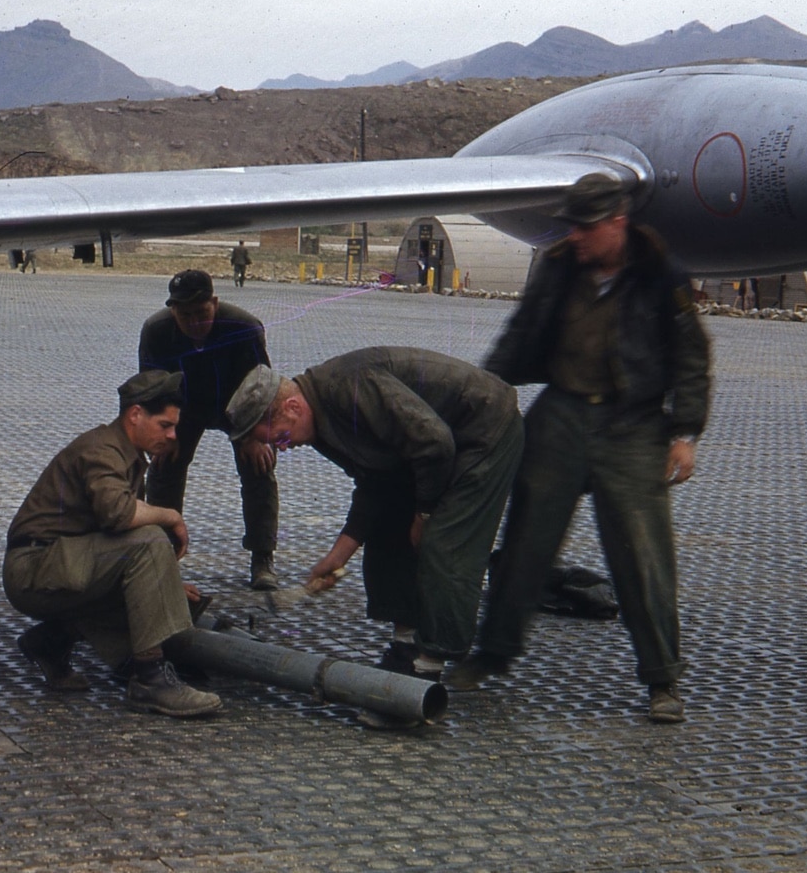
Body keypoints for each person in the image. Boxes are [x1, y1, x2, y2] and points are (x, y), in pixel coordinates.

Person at [445, 173, 711, 725]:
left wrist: (685, 433)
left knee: (642, 552)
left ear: (618, 221)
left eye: (588, 228)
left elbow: (691, 355)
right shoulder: (559, 267)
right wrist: (481, 393)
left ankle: (662, 680)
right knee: (524, 541)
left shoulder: (662, 275)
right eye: (574, 227)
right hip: (561, 412)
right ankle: (493, 653)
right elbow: (520, 335)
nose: (578, 238)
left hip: (633, 422)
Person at [226, 347, 523, 681]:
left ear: (292, 407)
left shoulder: (350, 389)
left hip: (483, 429)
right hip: (429, 451)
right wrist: (337, 556)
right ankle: (406, 645)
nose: (283, 448)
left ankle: (428, 667)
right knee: (386, 527)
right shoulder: (318, 424)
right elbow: (376, 486)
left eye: (280, 437)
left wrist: (424, 515)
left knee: (444, 543)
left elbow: (435, 443)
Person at [3, 370, 222, 718]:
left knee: (151, 558)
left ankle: (51, 642)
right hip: (34, 567)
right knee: (150, 541)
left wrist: (162, 582)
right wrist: (171, 516)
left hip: (59, 562)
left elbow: (117, 543)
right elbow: (118, 516)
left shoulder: (126, 454)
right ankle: (150, 679)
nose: (172, 435)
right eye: (165, 425)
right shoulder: (103, 450)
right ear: (135, 415)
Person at [140, 269, 280, 589]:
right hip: (182, 408)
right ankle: (162, 552)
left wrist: (255, 436)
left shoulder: (244, 327)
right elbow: (150, 389)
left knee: (259, 466)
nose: (193, 322)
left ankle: (262, 556)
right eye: (184, 314)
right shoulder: (156, 331)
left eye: (201, 313)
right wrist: (162, 435)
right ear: (172, 310)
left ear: (214, 303)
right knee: (163, 467)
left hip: (237, 405)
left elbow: (260, 388)